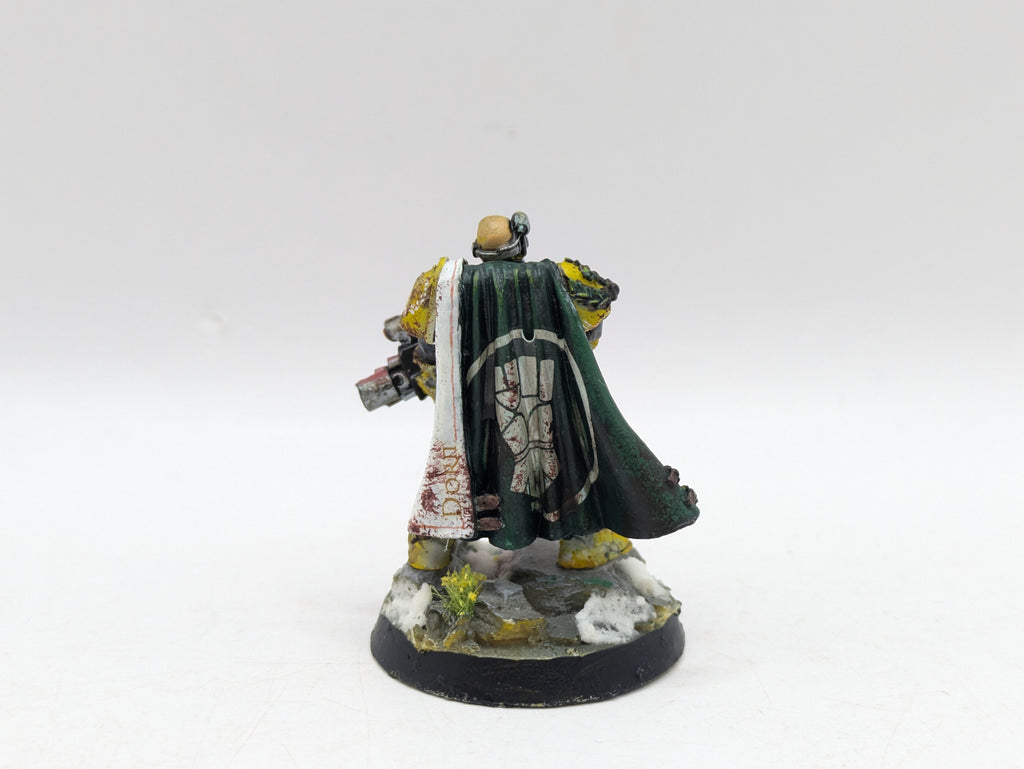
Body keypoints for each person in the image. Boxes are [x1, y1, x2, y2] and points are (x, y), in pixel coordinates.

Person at [397, 212, 698, 570]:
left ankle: (433, 547)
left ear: (478, 250)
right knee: (571, 462)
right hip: (552, 396)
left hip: (477, 411)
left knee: (457, 471)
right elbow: (591, 328)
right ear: (520, 244)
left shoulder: (441, 283)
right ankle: (583, 543)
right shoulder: (564, 278)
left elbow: (426, 346)